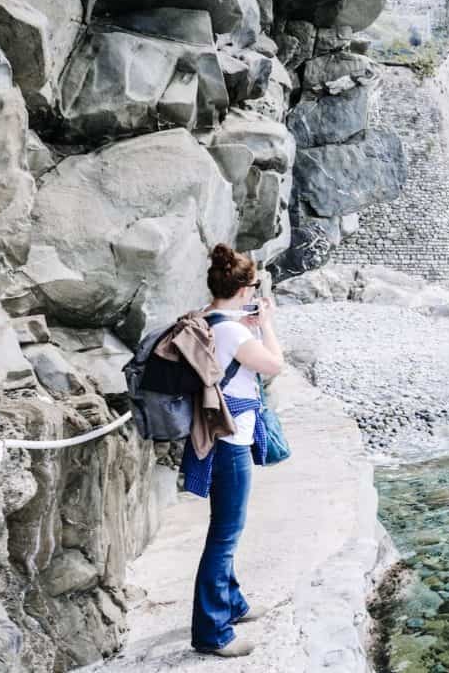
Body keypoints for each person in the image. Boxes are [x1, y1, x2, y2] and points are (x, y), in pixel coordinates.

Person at [187, 243, 284, 657]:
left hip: (215, 437)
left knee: (225, 529)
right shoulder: (234, 331)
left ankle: (233, 604)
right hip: (230, 443)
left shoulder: (207, 318)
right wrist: (267, 326)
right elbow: (275, 364)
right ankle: (211, 633)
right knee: (225, 536)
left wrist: (246, 322)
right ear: (246, 289)